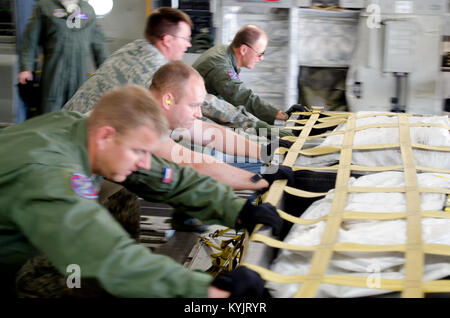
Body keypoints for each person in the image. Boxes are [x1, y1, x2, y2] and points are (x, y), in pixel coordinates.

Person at [0, 85, 283, 298]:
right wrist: (208, 292)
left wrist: (238, 208)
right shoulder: (50, 174)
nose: (144, 162)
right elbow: (104, 253)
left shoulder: (82, 130)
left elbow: (163, 175)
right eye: (139, 151)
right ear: (106, 136)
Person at [62, 7, 290, 137]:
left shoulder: (138, 48)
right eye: (185, 39)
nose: (189, 45)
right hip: (81, 139)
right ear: (168, 40)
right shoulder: (152, 65)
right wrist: (262, 130)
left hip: (87, 129)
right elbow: (207, 104)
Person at [18, 0, 109, 114]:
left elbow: (99, 46)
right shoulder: (44, 7)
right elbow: (30, 40)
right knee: (49, 114)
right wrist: (26, 68)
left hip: (80, 76)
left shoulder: (88, 10)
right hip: (54, 74)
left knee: (77, 113)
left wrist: (107, 73)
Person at [192, 24, 289, 125]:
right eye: (260, 54)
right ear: (243, 50)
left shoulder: (224, 52)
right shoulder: (221, 67)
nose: (261, 58)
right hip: (191, 121)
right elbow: (242, 97)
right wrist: (280, 115)